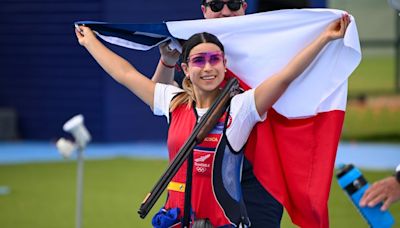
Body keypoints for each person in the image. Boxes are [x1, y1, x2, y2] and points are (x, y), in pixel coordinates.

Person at [75, 14, 349, 227]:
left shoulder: (241, 108)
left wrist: (324, 38)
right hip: (176, 220)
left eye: (214, 59)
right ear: (185, 69)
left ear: (224, 62)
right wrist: (90, 42)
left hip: (224, 223)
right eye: (199, 61)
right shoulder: (174, 102)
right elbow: (125, 74)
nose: (207, 68)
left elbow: (285, 76)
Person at [151, 1, 288, 227]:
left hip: (259, 179)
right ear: (204, 10)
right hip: (203, 182)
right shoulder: (195, 50)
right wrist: (167, 61)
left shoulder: (267, 49)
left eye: (233, 3)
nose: (225, 11)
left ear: (244, 6)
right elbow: (159, 97)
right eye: (216, 5)